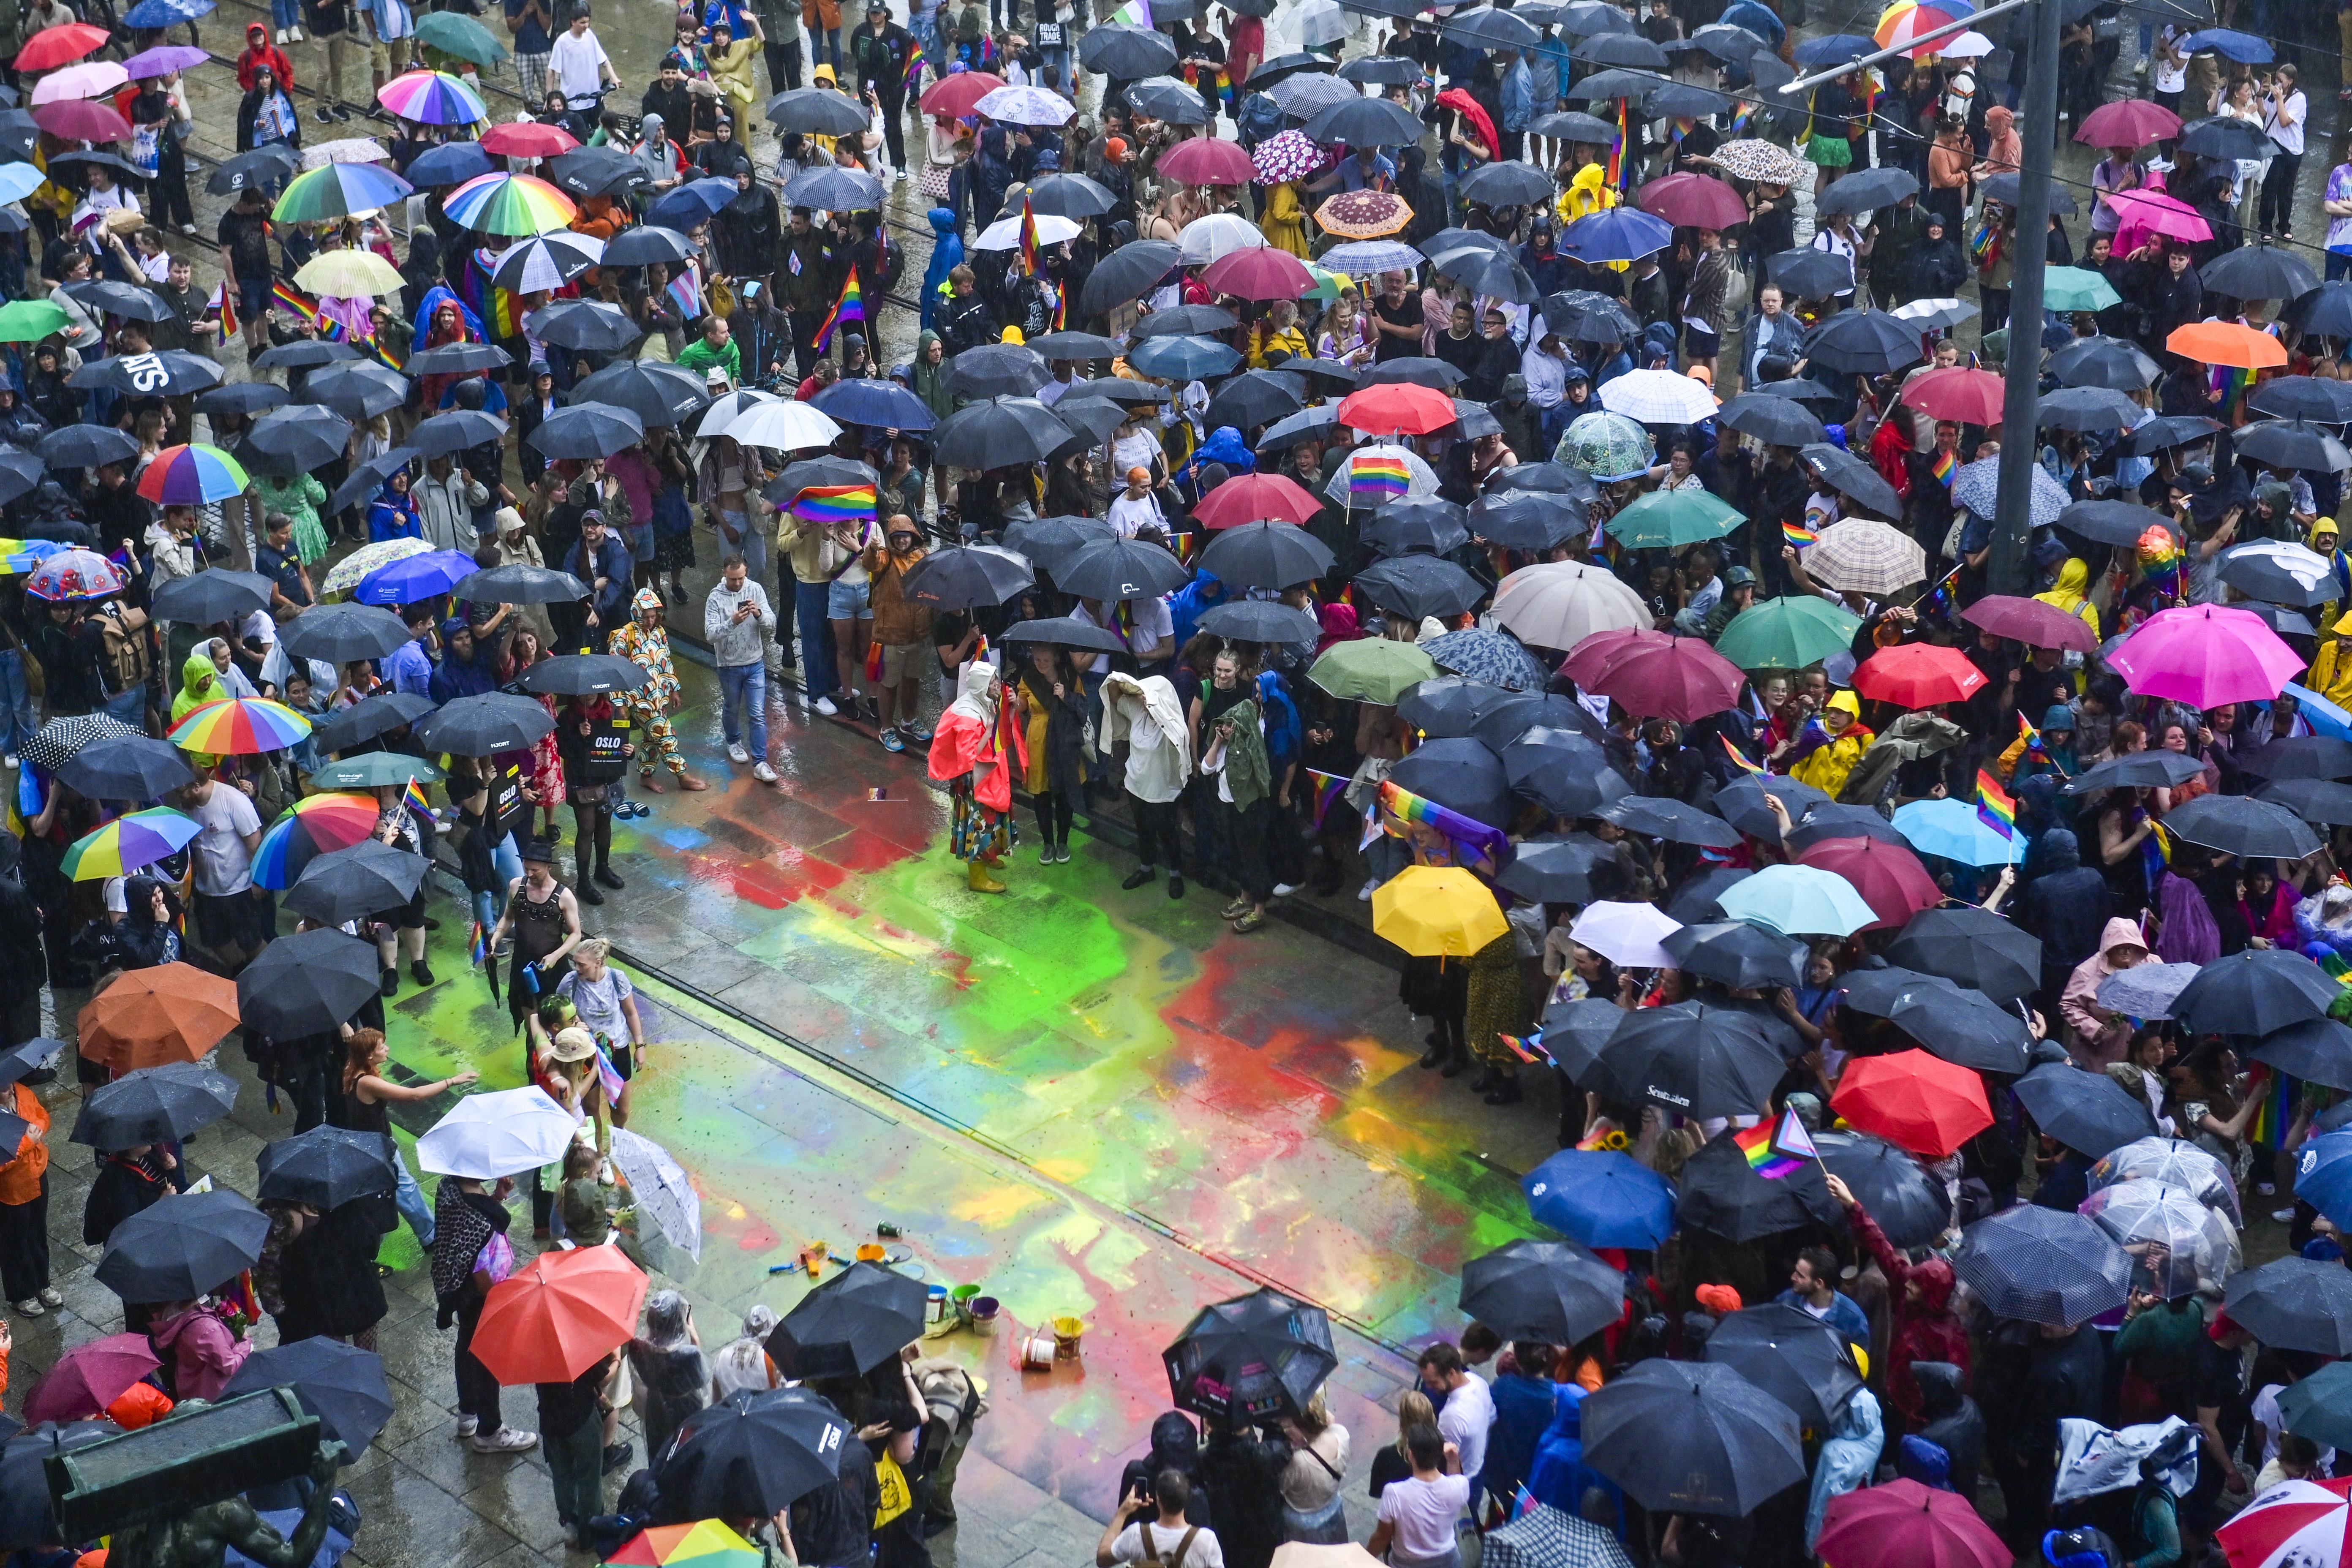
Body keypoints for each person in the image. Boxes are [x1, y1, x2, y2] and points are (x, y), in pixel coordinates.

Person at [433, 1171, 536, 1453]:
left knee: (467, 1344)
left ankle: (468, 1413)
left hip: (462, 1292)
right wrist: (498, 1300)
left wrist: (495, 1198)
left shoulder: (450, 1188)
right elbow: (478, 1267)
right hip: (482, 1296)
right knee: (487, 1355)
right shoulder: (478, 1220)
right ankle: (490, 1430)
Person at [928, 661, 1024, 894]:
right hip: (976, 784)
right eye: (991, 681)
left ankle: (989, 856)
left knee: (992, 821)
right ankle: (977, 876)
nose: (997, 684)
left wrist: (1009, 706)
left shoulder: (984, 702)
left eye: (996, 679)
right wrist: (991, 728)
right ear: (981, 685)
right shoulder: (968, 716)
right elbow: (968, 758)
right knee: (979, 826)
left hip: (989, 776)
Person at [706, 552, 780, 783]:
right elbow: (710, 634)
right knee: (731, 707)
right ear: (724, 574)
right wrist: (732, 622)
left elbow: (771, 622)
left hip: (755, 662)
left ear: (746, 572)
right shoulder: (715, 598)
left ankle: (760, 762)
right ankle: (733, 740)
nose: (737, 584)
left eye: (740, 579)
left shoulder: (756, 589)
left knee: (757, 713)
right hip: (729, 665)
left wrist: (758, 615)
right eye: (732, 579)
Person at [627, 1290, 709, 1467]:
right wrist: (694, 1336)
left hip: (655, 1407)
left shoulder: (636, 1348)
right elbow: (701, 1379)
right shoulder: (690, 1355)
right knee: (685, 1452)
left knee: (658, 1451)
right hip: (686, 1409)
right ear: (680, 1323)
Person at [1367, 1427, 1466, 1568]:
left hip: (1407, 1563)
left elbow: (1383, 1535)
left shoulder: (1394, 1493)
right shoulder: (1460, 1485)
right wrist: (1453, 1461)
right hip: (1448, 1559)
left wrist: (1364, 1557)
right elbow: (1456, 1481)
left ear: (1411, 1454)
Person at [1099, 1470, 1225, 1568]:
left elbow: (1102, 1559)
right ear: (1187, 1501)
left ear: (1158, 1500)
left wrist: (1123, 1513)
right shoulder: (1207, 1540)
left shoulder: (1136, 1534)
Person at [1777, 1244, 1873, 1348]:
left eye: (1800, 1276)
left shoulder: (1852, 1319)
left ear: (1819, 1283)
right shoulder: (1786, 1301)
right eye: (1795, 1271)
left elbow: (1858, 1360)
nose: (1793, 1277)